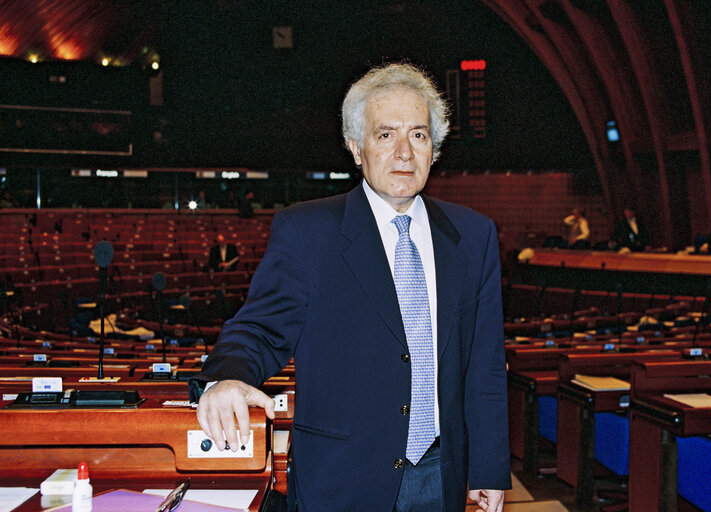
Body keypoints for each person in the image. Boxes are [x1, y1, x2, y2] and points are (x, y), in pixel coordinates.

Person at [190, 63, 510, 512]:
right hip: (341, 475)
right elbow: (259, 330)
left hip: (440, 471)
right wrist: (228, 377)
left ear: (433, 148)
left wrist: (490, 466)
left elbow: (486, 365)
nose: (404, 152)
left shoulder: (473, 235)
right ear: (356, 148)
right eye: (386, 135)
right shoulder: (307, 231)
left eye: (418, 135)